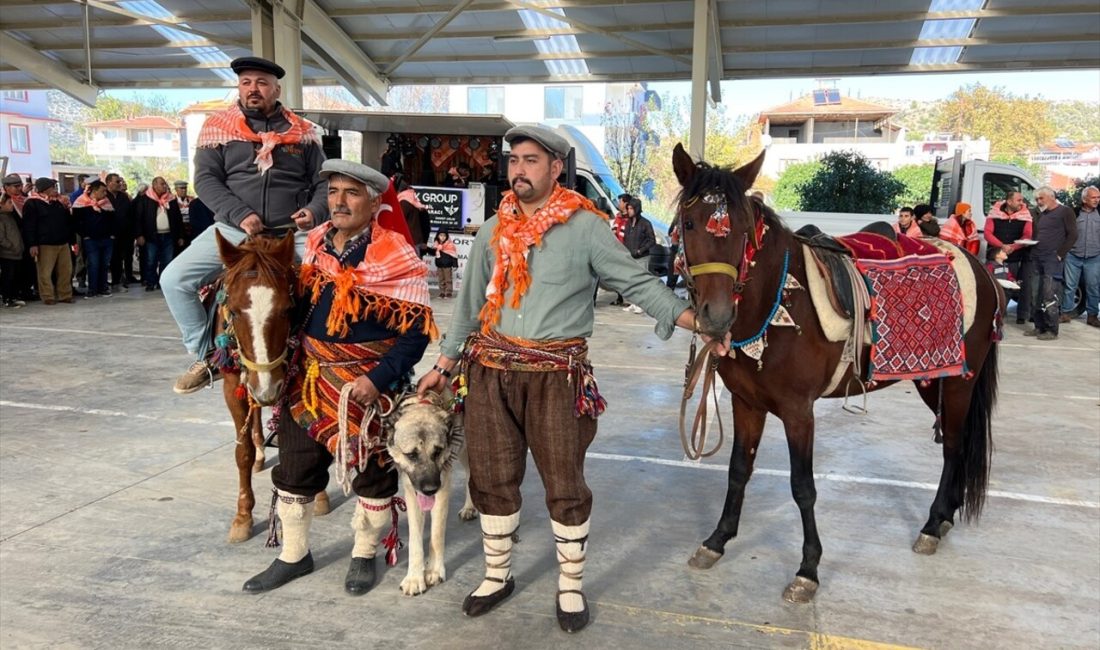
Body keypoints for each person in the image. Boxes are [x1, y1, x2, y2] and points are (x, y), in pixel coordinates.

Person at [415, 125, 724, 634]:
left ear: (557, 168)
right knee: (490, 476)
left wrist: (696, 322)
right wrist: (445, 364)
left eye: (531, 160)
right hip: (489, 373)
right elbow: (469, 305)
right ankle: (497, 575)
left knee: (565, 483)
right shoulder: (494, 229)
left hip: (557, 377)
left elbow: (635, 282)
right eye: (513, 160)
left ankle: (570, 586)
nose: (518, 170)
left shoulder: (586, 227)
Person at [242, 159, 435, 596]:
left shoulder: (396, 254)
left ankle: (364, 554)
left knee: (372, 476)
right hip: (309, 380)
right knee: (294, 468)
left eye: (351, 192)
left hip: (366, 387)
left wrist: (379, 379)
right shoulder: (313, 243)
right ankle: (293, 555)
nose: (339, 201)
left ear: (373, 201)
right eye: (333, 192)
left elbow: (418, 333)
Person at [160, 55, 328, 395]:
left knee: (332, 284)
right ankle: (206, 354)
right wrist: (239, 213)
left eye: (262, 83)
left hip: (289, 234)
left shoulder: (304, 132)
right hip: (234, 230)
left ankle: (321, 354)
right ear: (239, 87)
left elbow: (323, 182)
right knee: (174, 279)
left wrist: (313, 211)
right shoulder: (217, 129)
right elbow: (205, 181)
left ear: (276, 89)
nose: (254, 89)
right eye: (246, 82)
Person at [1026, 186, 1077, 340]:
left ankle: (1051, 330)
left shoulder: (1065, 211)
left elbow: (1073, 235)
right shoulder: (1041, 214)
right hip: (1037, 257)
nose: (1038, 201)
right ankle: (1039, 326)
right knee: (1035, 294)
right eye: (1036, 199)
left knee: (1049, 294)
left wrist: (1060, 254)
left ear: (1052, 196)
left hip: (1052, 260)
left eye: (1041, 198)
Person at [23, 177, 76, 305]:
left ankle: (65, 294)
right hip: (45, 243)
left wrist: (71, 240)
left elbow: (67, 222)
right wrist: (32, 244)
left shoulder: (57, 203)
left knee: (66, 270)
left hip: (62, 242)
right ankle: (48, 296)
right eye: (52, 187)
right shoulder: (32, 203)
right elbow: (29, 225)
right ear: (45, 189)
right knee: (45, 272)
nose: (55, 190)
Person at [984, 191, 1034, 323]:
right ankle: (993, 314)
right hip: (995, 258)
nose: (1022, 203)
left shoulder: (1025, 215)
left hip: (1014, 257)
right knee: (993, 286)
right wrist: (1002, 246)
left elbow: (1027, 235)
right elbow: (988, 233)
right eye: (1018, 200)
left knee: (1012, 287)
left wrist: (1013, 247)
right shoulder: (994, 213)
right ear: (1009, 201)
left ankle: (1018, 315)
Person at [133, 177, 184, 292]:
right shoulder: (145, 199)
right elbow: (138, 218)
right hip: (151, 236)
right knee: (151, 260)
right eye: (162, 184)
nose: (165, 186)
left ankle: (162, 282)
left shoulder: (171, 199)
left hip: (169, 235)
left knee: (167, 260)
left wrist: (180, 235)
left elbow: (178, 219)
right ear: (154, 185)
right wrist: (139, 234)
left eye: (165, 184)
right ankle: (151, 282)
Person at [1060, 185, 1100, 327]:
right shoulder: (1074, 213)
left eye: (1098, 197)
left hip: (1094, 257)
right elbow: (1065, 232)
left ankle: (1093, 316)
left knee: (1093, 287)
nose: (1097, 200)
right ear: (1084, 199)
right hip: (1073, 256)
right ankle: (1065, 313)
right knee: (1070, 286)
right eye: (1093, 197)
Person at [72, 180, 115, 298]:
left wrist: (112, 234)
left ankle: (103, 288)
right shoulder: (81, 203)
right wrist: (85, 234)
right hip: (91, 240)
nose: (105, 193)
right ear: (94, 191)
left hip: (107, 239)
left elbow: (113, 220)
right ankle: (92, 289)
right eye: (103, 191)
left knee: (104, 264)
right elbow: (76, 222)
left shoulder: (106, 203)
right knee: (93, 264)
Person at [621, 197, 656, 314]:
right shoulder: (628, 223)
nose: (629, 210)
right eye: (628, 208)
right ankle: (633, 303)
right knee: (631, 281)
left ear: (637, 209)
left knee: (641, 281)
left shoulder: (646, 223)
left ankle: (641, 304)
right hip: (630, 257)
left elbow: (652, 240)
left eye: (631, 208)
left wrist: (641, 251)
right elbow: (625, 239)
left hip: (642, 257)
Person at [105, 173, 136, 289]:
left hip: (126, 233)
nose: (120, 184)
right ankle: (113, 282)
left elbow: (131, 214)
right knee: (113, 259)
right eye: (117, 182)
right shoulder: (104, 197)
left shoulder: (124, 197)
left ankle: (121, 280)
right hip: (110, 234)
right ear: (109, 183)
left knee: (125, 256)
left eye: (120, 182)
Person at [0, 192, 25, 307]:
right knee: (8, 277)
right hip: (7, 254)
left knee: (16, 276)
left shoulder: (11, 217)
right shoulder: (1, 218)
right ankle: (7, 298)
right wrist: (11, 246)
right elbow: (1, 238)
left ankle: (13, 296)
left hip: (17, 253)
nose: (12, 205)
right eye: (9, 203)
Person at [432, 230, 458, 298]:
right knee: (441, 279)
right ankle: (442, 292)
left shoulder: (450, 245)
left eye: (444, 235)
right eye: (441, 235)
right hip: (439, 265)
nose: (442, 237)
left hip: (447, 265)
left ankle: (448, 292)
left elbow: (454, 256)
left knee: (448, 279)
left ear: (447, 236)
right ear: (438, 236)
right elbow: (433, 253)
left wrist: (455, 265)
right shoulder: (436, 245)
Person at [171, 180, 193, 253]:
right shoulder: (172, 201)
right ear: (176, 189)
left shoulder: (191, 200)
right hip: (178, 230)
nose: (184, 190)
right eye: (181, 188)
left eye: (185, 188)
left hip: (190, 229)